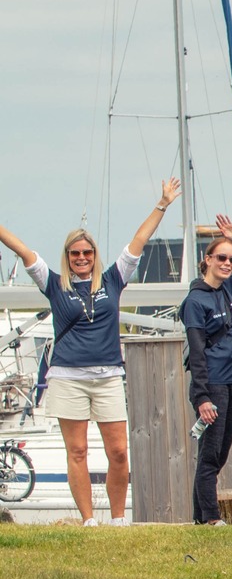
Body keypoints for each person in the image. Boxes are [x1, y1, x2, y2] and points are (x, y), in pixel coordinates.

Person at [0, 178, 179, 526]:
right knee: (78, 451)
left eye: (87, 253)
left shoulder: (112, 279)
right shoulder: (54, 284)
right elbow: (22, 250)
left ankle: (117, 519)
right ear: (67, 258)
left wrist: (162, 203)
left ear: (94, 256)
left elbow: (138, 241)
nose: (81, 258)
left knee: (119, 452)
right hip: (68, 378)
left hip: (108, 376)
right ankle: (88, 520)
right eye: (75, 254)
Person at [183, 216, 232, 525]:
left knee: (221, 452)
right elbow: (196, 352)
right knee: (210, 454)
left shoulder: (227, 289)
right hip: (213, 383)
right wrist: (201, 397)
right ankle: (211, 518)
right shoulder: (195, 300)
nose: (228, 264)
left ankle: (200, 519)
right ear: (208, 260)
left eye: (231, 259)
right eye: (222, 258)